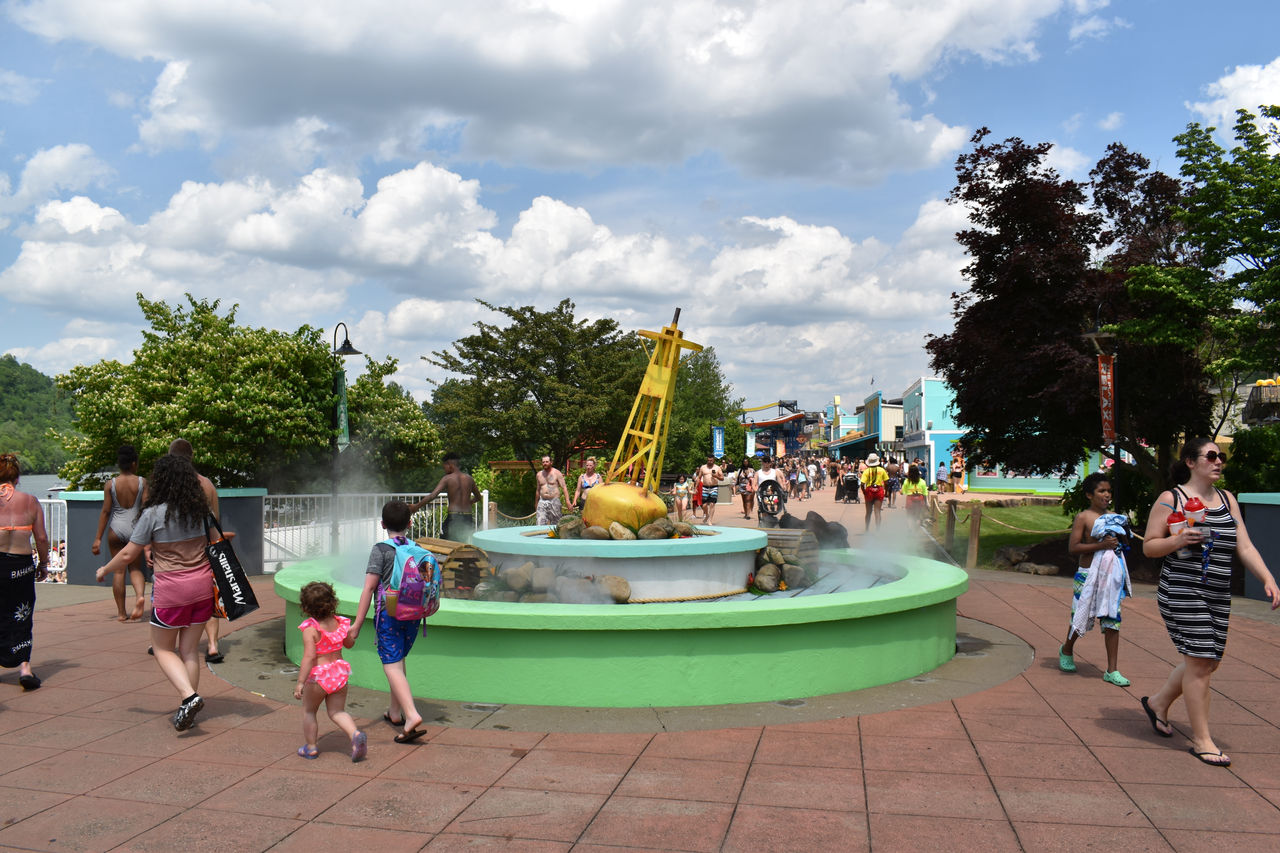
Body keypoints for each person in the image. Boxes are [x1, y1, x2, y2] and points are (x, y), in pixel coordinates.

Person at [1140, 439, 1279, 767]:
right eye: (1211, 456)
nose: (1219, 462)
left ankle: (1158, 703)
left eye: (1222, 457)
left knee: (1207, 662)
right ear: (1190, 461)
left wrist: (1268, 579)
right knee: (1201, 660)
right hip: (1182, 590)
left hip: (1217, 593)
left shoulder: (1227, 499)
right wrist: (1177, 539)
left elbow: (1244, 546)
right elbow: (1149, 547)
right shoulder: (1171, 498)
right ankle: (1202, 741)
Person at [97, 454, 213, 731]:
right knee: (189, 651)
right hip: (203, 587)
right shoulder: (201, 511)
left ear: (161, 481)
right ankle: (189, 706)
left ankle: (189, 696)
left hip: (172, 591)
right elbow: (216, 542)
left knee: (162, 648)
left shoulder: (153, 514)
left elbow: (127, 555)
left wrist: (104, 569)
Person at [349, 500, 433, 744]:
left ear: (383, 524)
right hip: (414, 615)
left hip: (389, 614)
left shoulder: (381, 550)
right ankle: (395, 713)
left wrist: (357, 623)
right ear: (409, 523)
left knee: (391, 665)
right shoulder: (416, 548)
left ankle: (412, 715)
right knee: (399, 660)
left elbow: (369, 589)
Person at [1058, 473, 1131, 686]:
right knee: (1079, 616)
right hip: (1087, 574)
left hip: (1109, 576)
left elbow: (1122, 544)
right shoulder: (1084, 517)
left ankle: (1112, 670)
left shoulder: (1115, 516)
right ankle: (1067, 649)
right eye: (1102, 491)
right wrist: (1100, 545)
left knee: (1112, 620)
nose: (1107, 495)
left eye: (1109, 491)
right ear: (1090, 494)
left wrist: (1121, 535)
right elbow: (1074, 548)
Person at [169, 439, 227, 663]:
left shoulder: (169, 485)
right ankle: (212, 645)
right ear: (191, 456)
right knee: (210, 599)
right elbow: (216, 520)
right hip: (205, 549)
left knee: (173, 597)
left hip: (176, 552)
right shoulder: (207, 484)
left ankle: (165, 641)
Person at [294, 581, 366, 762]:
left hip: (318, 677)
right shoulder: (339, 623)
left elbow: (309, 657)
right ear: (332, 602)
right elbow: (349, 644)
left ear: (306, 607)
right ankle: (355, 734)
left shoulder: (310, 629)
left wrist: (301, 682)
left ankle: (311, 747)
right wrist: (348, 635)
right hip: (339, 674)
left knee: (309, 711)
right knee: (337, 712)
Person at [0, 453, 49, 690]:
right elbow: (41, 537)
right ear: (17, 478)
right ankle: (25, 667)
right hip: (20, 566)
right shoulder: (30, 501)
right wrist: (44, 564)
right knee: (22, 613)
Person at [92, 444, 148, 622]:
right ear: (134, 463)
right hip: (136, 529)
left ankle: (121, 613)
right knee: (136, 568)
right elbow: (146, 508)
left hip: (116, 529)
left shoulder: (111, 484)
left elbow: (106, 511)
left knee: (118, 571)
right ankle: (139, 596)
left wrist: (98, 538)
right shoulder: (142, 482)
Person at [409, 452, 480, 543]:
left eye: (444, 467)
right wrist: (468, 502)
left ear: (450, 465)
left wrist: (416, 506)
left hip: (454, 517)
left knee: (447, 545)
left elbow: (432, 496)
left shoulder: (447, 478)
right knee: (463, 545)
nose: (444, 469)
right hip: (468, 517)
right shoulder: (469, 478)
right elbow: (478, 497)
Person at [534, 456, 571, 527]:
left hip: (554, 501)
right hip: (542, 501)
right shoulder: (539, 474)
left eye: (547, 462)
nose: (545, 463)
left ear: (551, 462)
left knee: (556, 525)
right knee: (539, 523)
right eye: (543, 462)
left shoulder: (557, 473)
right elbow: (538, 490)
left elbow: (564, 487)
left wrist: (567, 501)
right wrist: (536, 503)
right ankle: (540, 538)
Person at [861, 453, 889, 532]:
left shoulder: (866, 471)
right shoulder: (882, 470)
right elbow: (886, 482)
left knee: (868, 512)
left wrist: (864, 492)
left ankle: (867, 529)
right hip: (879, 490)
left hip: (869, 491)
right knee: (877, 512)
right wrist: (886, 492)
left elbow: (862, 484)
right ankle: (878, 530)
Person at [697, 457, 725, 523]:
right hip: (705, 487)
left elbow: (722, 478)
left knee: (712, 504)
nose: (710, 462)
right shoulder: (703, 467)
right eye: (709, 460)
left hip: (714, 487)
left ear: (713, 460)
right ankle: (707, 515)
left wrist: (716, 476)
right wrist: (696, 487)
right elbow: (699, 477)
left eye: (711, 460)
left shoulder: (717, 468)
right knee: (704, 505)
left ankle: (710, 520)